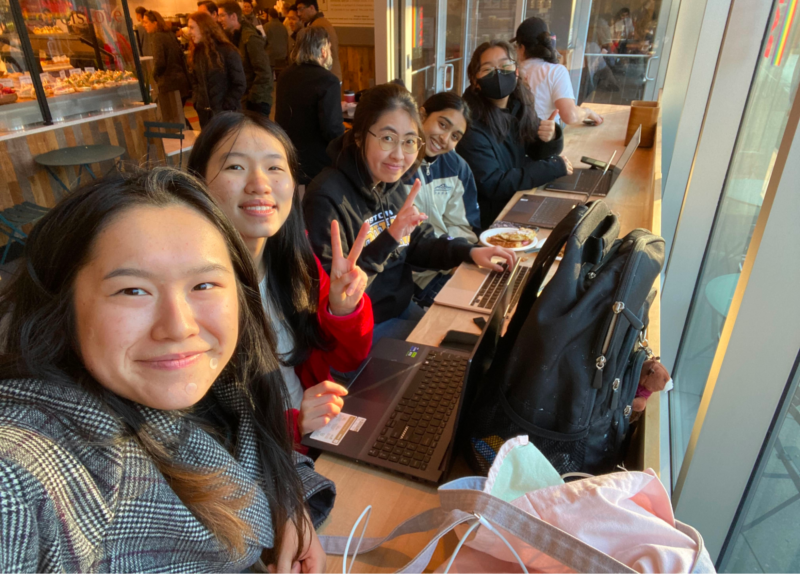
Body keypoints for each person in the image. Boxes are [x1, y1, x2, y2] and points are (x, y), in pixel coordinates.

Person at [0, 168, 331, 571]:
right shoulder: (26, 473)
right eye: (133, 290)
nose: (179, 327)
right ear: (62, 308)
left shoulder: (223, 385)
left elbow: (254, 446)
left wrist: (287, 498)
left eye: (204, 285)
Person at [187, 111, 373, 445]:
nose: (260, 185)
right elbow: (196, 432)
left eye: (274, 168)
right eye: (235, 166)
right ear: (198, 182)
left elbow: (348, 358)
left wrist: (344, 311)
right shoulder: (188, 291)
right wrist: (294, 424)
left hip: (319, 435)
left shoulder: (296, 262)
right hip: (265, 462)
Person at [303, 83, 515, 341]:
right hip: (363, 327)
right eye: (387, 138)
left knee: (479, 341)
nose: (399, 155)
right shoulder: (327, 196)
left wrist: (469, 251)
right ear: (359, 136)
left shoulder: (392, 182)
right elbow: (335, 296)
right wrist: (390, 237)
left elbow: (418, 243)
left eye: (409, 142)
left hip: (402, 308)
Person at [456, 40, 573, 228]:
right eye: (488, 70)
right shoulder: (470, 124)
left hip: (518, 202)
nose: (498, 74)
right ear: (476, 81)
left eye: (505, 66)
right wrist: (550, 168)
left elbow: (535, 150)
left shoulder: (518, 105)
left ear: (516, 71)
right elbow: (493, 184)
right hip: (492, 219)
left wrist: (550, 137)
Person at [404, 92, 480, 305]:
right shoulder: (395, 165)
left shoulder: (457, 167)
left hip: (449, 265)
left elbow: (463, 226)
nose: (445, 139)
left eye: (455, 136)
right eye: (443, 125)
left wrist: (456, 259)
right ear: (422, 115)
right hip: (412, 277)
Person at [275, 27, 344, 182]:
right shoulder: (328, 80)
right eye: (329, 49)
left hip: (288, 153)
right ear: (323, 51)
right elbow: (332, 129)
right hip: (319, 161)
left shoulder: (285, 75)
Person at [513, 17, 603, 126]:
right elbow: (570, 116)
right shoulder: (555, 72)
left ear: (522, 48)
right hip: (545, 138)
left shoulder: (511, 71)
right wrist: (587, 111)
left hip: (513, 138)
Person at [187, 11, 246, 128]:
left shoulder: (227, 51)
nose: (189, 32)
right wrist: (198, 102)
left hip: (228, 116)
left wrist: (225, 107)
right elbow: (195, 82)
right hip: (205, 116)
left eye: (192, 28)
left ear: (204, 28)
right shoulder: (196, 53)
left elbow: (239, 84)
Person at [217, 0, 273, 118]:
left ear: (233, 16)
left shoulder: (250, 38)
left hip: (255, 103)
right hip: (244, 100)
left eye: (222, 15)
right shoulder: (233, 38)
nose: (219, 19)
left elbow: (264, 72)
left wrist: (252, 99)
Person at [143, 10, 192, 125]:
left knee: (171, 118)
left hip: (169, 84)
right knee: (178, 116)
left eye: (146, 22)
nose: (143, 25)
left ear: (155, 23)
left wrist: (154, 76)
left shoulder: (157, 37)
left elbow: (160, 62)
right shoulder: (169, 34)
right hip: (181, 82)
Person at [294, 0, 341, 81]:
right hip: (333, 74)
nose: (299, 14)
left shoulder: (316, 27)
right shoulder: (323, 22)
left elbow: (312, 56)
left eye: (301, 9)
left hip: (326, 76)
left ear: (312, 7)